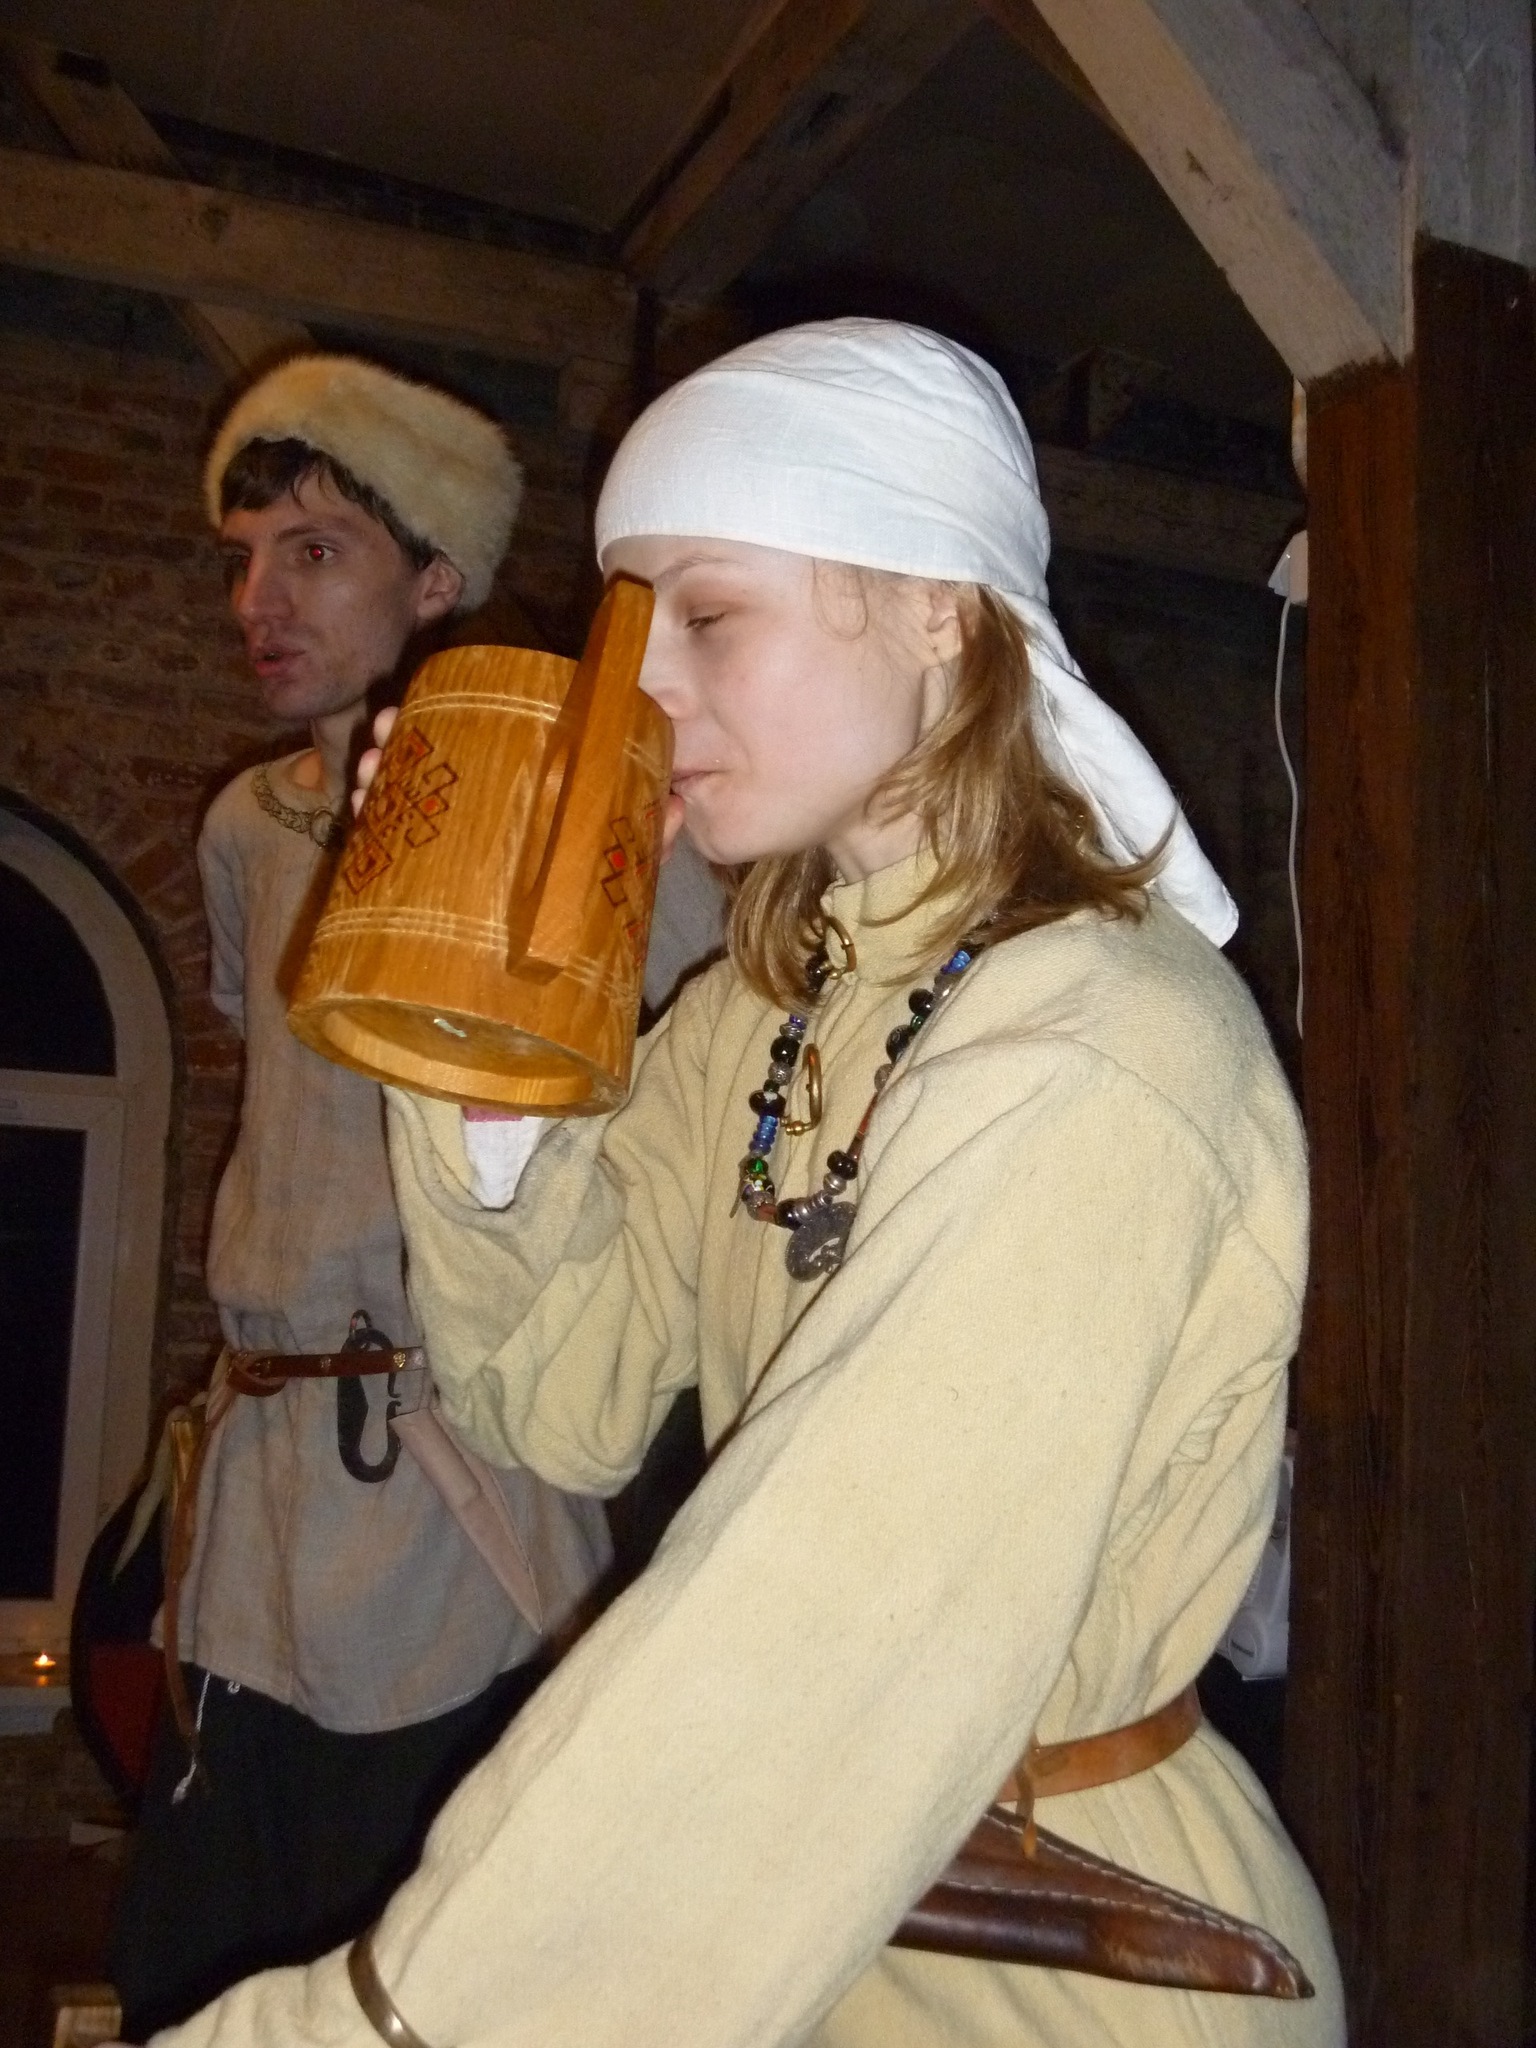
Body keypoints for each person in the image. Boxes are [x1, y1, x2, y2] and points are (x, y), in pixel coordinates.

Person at [154, 320, 1344, 2047]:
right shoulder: (767, 1017)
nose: (640, 686)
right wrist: (476, 1024)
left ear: (937, 610)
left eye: (708, 617)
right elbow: (559, 1402)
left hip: (1064, 1953)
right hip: (796, 1937)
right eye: (629, 626)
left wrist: (361, 2029)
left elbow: (829, 1647)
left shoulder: (1100, 1046)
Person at [109, 355, 615, 2040]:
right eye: (246, 558)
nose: (258, 601)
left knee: (419, 1977)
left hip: (445, 1487)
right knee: (192, 1967)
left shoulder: (558, 821)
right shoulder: (248, 827)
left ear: (437, 580)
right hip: (260, 1489)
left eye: (317, 552)